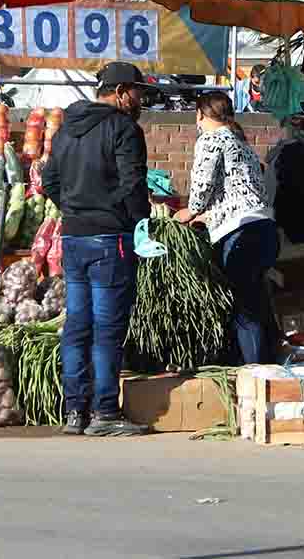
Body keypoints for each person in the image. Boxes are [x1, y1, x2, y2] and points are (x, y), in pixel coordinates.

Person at [40, 62, 153, 438]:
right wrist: (135, 223)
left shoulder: (66, 129)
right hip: (111, 239)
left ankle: (76, 411)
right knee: (106, 328)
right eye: (136, 91)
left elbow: (49, 179)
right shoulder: (124, 129)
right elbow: (133, 183)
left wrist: (73, 210)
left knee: (77, 325)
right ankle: (105, 412)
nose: (140, 98)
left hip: (73, 237)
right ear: (120, 92)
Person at [174, 92, 278, 364]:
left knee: (245, 312)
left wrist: (192, 210)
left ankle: (255, 375)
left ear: (199, 114)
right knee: (255, 305)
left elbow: (202, 185)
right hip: (264, 229)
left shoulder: (211, 139)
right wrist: (210, 214)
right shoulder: (240, 141)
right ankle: (265, 368)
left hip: (240, 234)